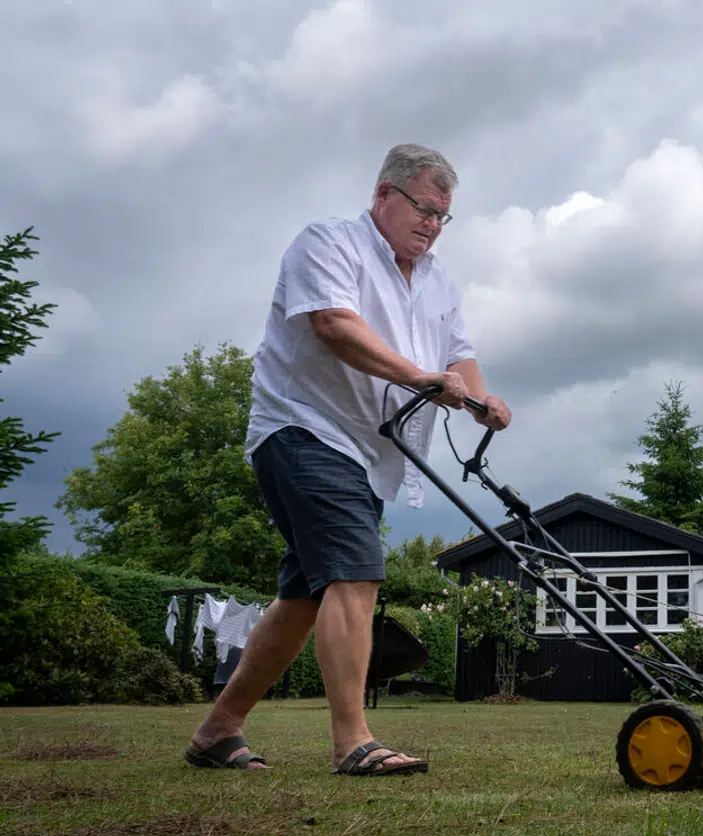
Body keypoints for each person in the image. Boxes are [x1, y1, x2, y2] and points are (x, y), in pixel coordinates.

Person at [184, 143, 511, 776]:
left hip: (366, 450)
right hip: (303, 427)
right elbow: (334, 326)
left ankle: (217, 730)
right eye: (422, 208)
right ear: (384, 195)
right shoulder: (329, 243)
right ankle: (353, 741)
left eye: (444, 216)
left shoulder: (438, 279)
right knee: (356, 573)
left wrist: (479, 399)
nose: (432, 224)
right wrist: (422, 377)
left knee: (305, 595)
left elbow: (458, 354)